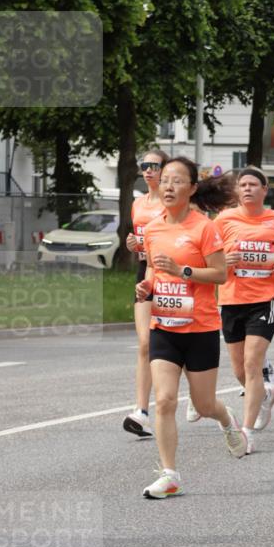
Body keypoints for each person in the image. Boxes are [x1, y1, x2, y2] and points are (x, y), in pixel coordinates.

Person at [137, 157, 247, 499]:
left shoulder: (204, 228)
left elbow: (220, 274)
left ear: (192, 189)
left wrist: (183, 270)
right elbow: (154, 272)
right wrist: (147, 287)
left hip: (199, 326)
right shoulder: (153, 229)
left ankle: (226, 417)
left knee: (203, 405)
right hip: (164, 325)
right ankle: (169, 473)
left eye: (177, 181)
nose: (168, 186)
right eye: (165, 180)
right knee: (165, 400)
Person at [215, 167, 274, 453]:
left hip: (266, 298)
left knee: (251, 362)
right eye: (243, 184)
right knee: (239, 369)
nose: (247, 188)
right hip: (232, 299)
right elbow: (207, 257)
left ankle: (246, 433)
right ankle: (261, 395)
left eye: (253, 184)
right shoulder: (224, 220)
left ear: (264, 190)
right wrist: (224, 260)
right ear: (237, 191)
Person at [122, 149, 168, 438]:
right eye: (144, 165)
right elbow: (142, 242)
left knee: (177, 342)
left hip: (171, 277)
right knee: (144, 343)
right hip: (144, 275)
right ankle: (142, 412)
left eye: (155, 165)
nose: (149, 170)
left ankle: (202, 397)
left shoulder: (173, 200)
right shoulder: (138, 204)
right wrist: (133, 244)